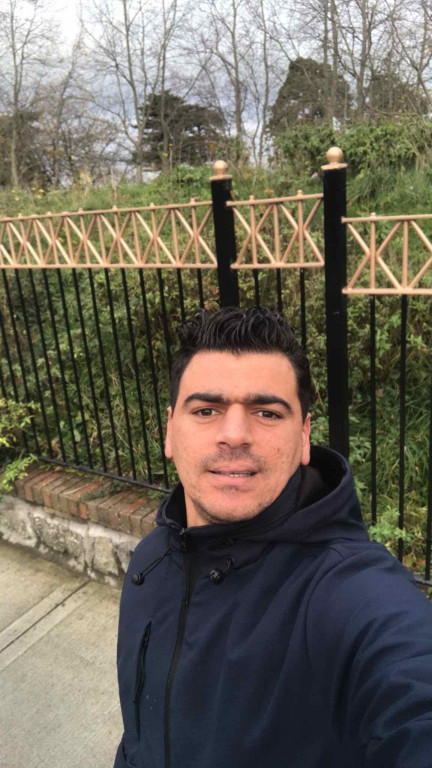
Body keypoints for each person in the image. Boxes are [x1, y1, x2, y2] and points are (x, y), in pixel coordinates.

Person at [114, 306, 432, 768]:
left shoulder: (348, 596)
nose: (235, 435)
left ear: (304, 436)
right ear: (169, 431)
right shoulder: (150, 560)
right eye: (206, 410)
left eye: (266, 412)